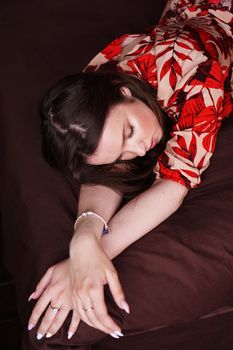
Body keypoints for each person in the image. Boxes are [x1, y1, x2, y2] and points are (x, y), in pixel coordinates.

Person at [27, 0, 233, 345]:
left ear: (124, 90)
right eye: (122, 149)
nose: (140, 149)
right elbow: (106, 173)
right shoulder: (90, 95)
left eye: (129, 132)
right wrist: (83, 237)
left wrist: (93, 258)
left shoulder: (195, 73)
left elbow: (174, 184)